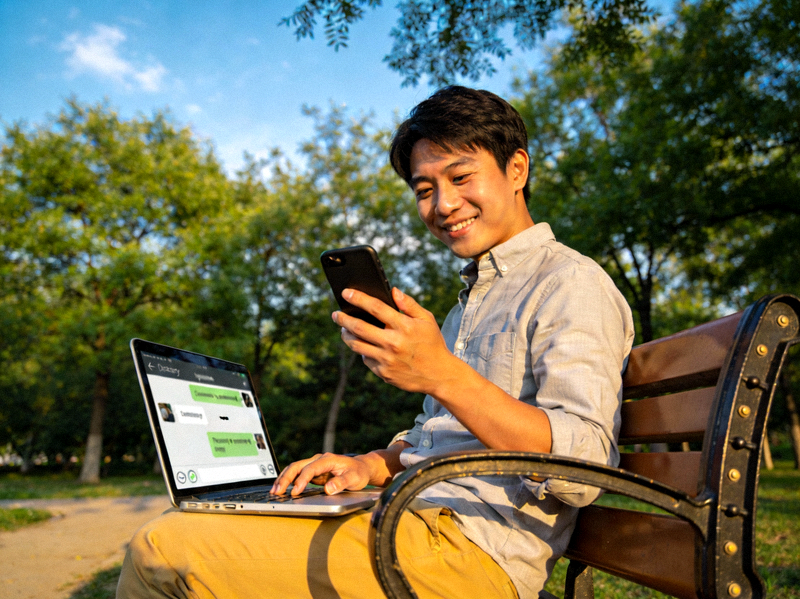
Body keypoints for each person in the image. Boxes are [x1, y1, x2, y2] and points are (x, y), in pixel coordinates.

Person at [117, 86, 634, 599]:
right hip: (409, 516)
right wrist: (368, 464)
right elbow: (435, 437)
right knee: (195, 522)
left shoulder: (570, 283)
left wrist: (442, 374)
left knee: (161, 548)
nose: (444, 204)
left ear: (516, 169)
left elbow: (585, 468)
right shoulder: (464, 309)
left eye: (460, 177)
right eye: (424, 189)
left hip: (471, 553)